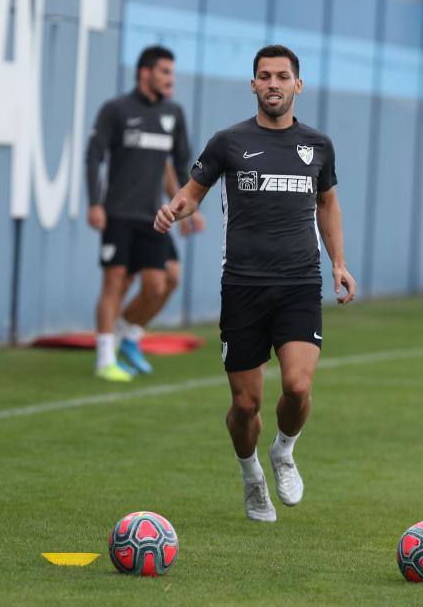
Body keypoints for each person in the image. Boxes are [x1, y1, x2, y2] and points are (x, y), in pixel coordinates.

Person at [154, 44, 356, 522]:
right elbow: (192, 193)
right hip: (243, 286)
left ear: (297, 85)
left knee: (298, 386)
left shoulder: (318, 145)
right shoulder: (228, 142)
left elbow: (327, 205)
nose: (273, 84)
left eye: (282, 77)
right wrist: (174, 209)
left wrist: (339, 263)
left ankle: (284, 451)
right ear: (253, 85)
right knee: (245, 405)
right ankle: (251, 476)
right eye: (264, 76)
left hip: (299, 283)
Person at [86, 46, 192, 381]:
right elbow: (94, 157)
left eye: (171, 73)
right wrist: (95, 203)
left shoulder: (173, 113)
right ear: (145, 72)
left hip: (153, 217)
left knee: (160, 283)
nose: (169, 79)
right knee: (115, 282)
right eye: (164, 72)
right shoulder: (116, 109)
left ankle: (127, 333)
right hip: (118, 213)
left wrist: (187, 206)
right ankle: (105, 360)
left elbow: (178, 164)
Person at [115, 161, 206, 373]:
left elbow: (166, 167)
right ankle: (116, 338)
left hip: (154, 213)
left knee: (172, 277)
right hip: (128, 214)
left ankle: (130, 335)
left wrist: (181, 209)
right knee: (137, 282)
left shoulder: (169, 131)